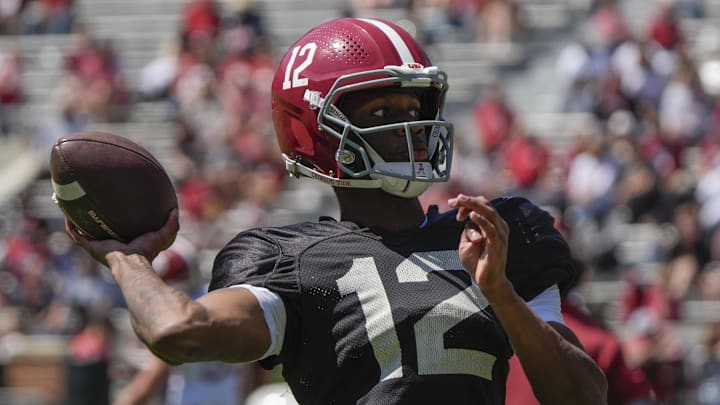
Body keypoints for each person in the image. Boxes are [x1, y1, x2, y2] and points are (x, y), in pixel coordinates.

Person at [66, 17, 607, 404]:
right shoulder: (288, 259)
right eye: (381, 110)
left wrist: (502, 297)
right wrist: (127, 259)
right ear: (316, 130)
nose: (409, 127)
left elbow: (583, 396)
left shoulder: (495, 234)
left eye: (412, 108)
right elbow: (176, 331)